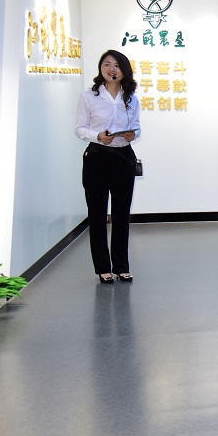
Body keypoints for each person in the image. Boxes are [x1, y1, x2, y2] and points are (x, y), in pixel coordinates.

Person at [75, 50, 141, 284]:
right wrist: (97, 136)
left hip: (124, 157)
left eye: (117, 65)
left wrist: (133, 134)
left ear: (124, 70)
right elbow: (80, 129)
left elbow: (137, 126)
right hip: (97, 157)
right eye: (107, 64)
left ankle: (122, 266)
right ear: (101, 67)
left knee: (122, 214)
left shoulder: (131, 98)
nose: (112, 69)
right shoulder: (89, 97)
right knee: (97, 214)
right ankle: (103, 268)